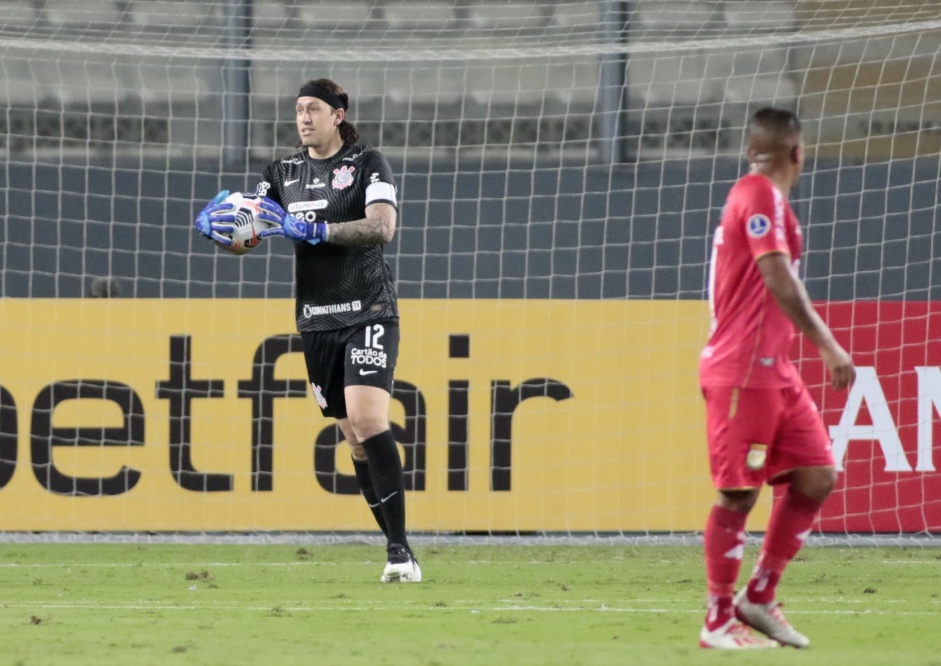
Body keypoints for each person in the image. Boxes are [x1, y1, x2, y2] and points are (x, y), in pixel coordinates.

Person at [194, 78, 421, 583]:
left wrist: (319, 231)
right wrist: (221, 232)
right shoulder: (280, 172)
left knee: (367, 419)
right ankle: (394, 545)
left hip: (368, 307)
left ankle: (400, 551)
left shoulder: (367, 163)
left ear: (338, 114)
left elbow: (382, 227)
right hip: (317, 319)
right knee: (353, 439)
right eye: (298, 110)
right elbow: (250, 236)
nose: (303, 118)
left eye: (313, 109)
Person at [697, 108, 855, 649]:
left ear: (751, 149)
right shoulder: (760, 194)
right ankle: (718, 619)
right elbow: (775, 273)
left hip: (775, 370)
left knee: (817, 476)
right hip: (743, 369)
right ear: (798, 153)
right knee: (739, 493)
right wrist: (827, 342)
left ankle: (758, 597)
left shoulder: (765, 197)